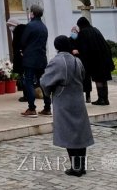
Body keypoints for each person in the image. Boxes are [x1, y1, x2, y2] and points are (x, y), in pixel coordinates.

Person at [40, 35, 94, 176]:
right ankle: (81, 165)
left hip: (63, 100)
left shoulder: (56, 62)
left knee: (69, 133)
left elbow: (45, 81)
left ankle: (75, 167)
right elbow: (82, 76)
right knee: (80, 133)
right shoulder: (77, 61)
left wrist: (49, 92)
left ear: (56, 46)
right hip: (77, 99)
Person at [18, 4, 50, 117]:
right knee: (43, 82)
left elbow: (23, 41)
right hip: (41, 58)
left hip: (30, 58)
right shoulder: (44, 26)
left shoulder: (30, 26)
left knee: (29, 82)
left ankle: (32, 108)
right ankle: (47, 107)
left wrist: (23, 49)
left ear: (32, 13)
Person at [74, 16, 114, 106]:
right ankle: (105, 98)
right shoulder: (95, 30)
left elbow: (83, 47)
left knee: (98, 79)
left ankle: (101, 99)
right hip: (104, 58)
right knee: (103, 79)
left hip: (94, 60)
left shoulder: (83, 33)